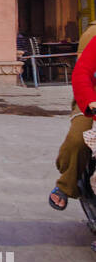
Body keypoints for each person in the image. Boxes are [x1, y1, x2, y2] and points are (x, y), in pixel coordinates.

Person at [49, 20, 96, 209]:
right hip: (91, 99)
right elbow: (82, 72)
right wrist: (90, 102)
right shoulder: (93, 34)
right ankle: (66, 183)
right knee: (79, 139)